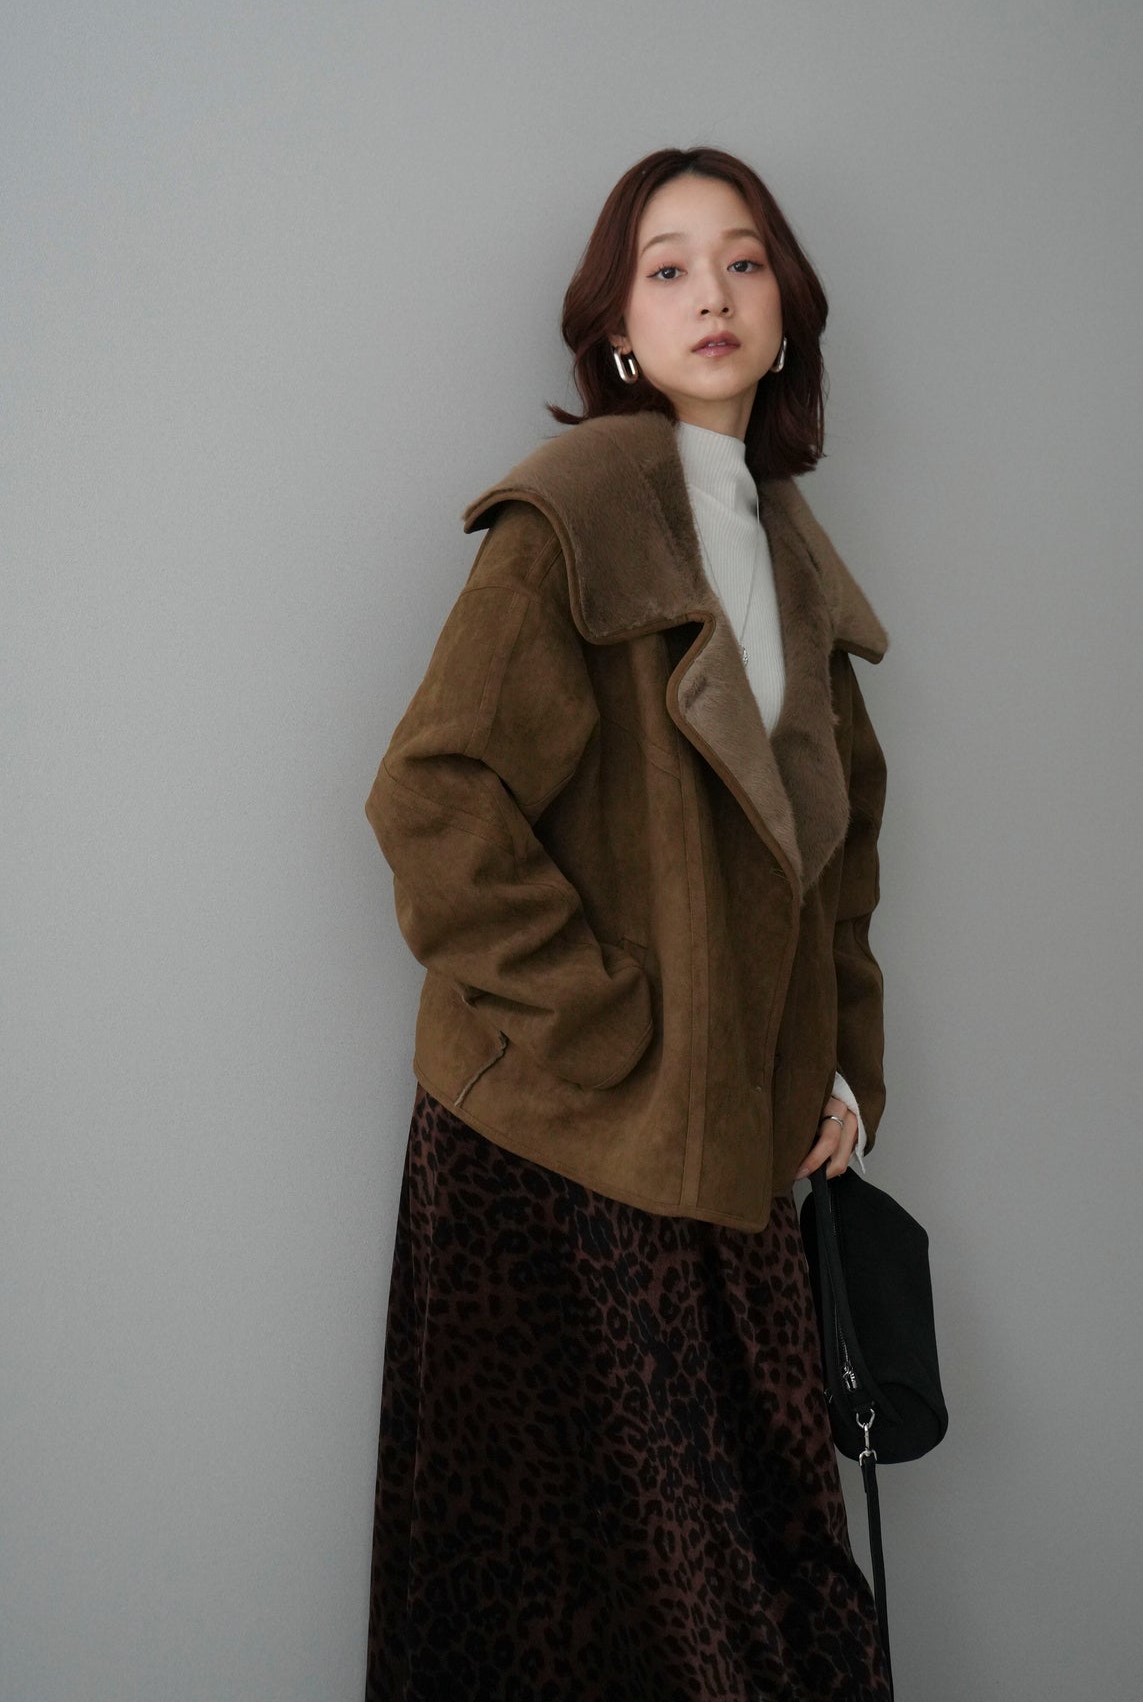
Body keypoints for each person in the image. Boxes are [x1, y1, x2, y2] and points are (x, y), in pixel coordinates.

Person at [362, 145, 893, 1700]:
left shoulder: (795, 561)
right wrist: (607, 1027)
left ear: (784, 317)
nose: (709, 293)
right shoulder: (573, 516)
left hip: (730, 1159)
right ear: (615, 331)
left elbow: (838, 867)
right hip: (555, 1160)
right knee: (576, 1620)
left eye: (742, 261)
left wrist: (842, 1072)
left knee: (749, 1599)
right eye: (666, 269)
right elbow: (432, 797)